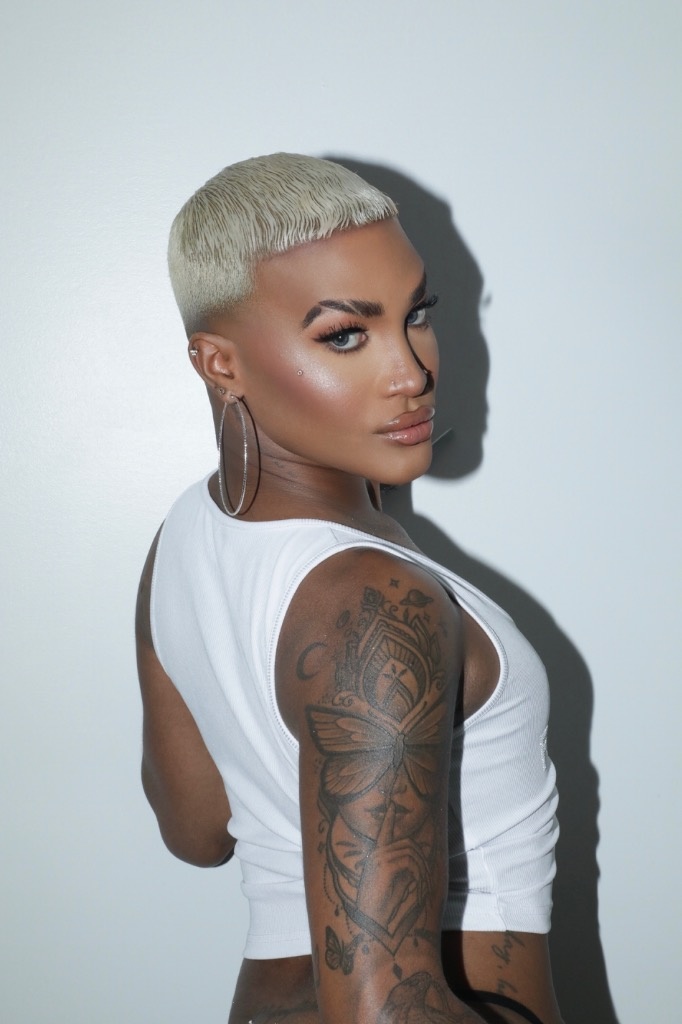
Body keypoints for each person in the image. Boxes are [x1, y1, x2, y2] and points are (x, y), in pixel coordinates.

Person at [136, 154, 564, 1024]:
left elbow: (197, 831)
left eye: (417, 316)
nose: (412, 371)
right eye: (344, 335)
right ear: (219, 364)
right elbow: (384, 1012)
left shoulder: (187, 530)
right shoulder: (373, 598)